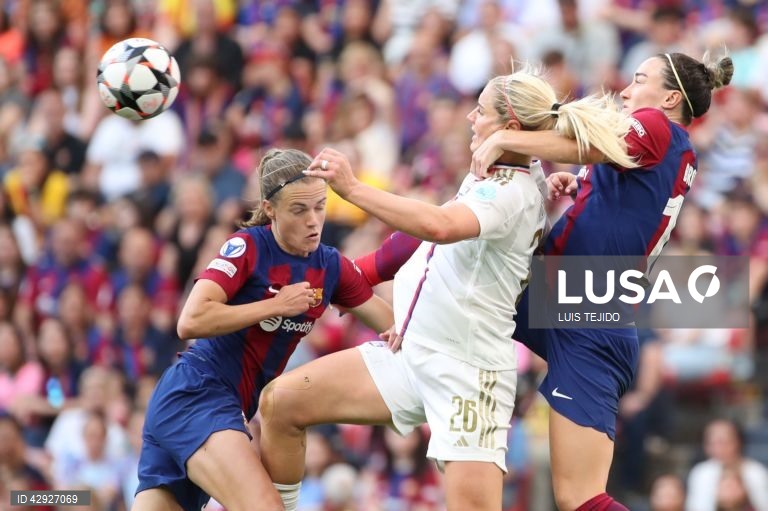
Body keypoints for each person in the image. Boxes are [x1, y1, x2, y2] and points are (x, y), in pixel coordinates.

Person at [258, 66, 633, 511]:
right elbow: (428, 241)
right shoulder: (496, 170)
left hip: (468, 375)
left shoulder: (512, 190)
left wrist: (353, 189)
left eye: (481, 111)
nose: (471, 118)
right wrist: (361, 278)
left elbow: (438, 227)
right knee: (281, 403)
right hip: (415, 354)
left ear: (510, 129)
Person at [467, 53, 734, 510]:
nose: (626, 91)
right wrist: (581, 186)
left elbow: (591, 145)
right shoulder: (666, 142)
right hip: (575, 298)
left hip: (585, 314)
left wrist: (507, 136)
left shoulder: (656, 125)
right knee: (464, 294)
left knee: (580, 497)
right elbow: (619, 189)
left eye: (639, 79)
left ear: (670, 97)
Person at [132, 148, 394, 511]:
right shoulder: (248, 247)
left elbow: (394, 326)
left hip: (218, 406)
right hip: (198, 395)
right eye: (299, 210)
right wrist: (275, 306)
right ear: (270, 210)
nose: (313, 221)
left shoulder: (331, 266)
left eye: (320, 206)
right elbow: (190, 320)